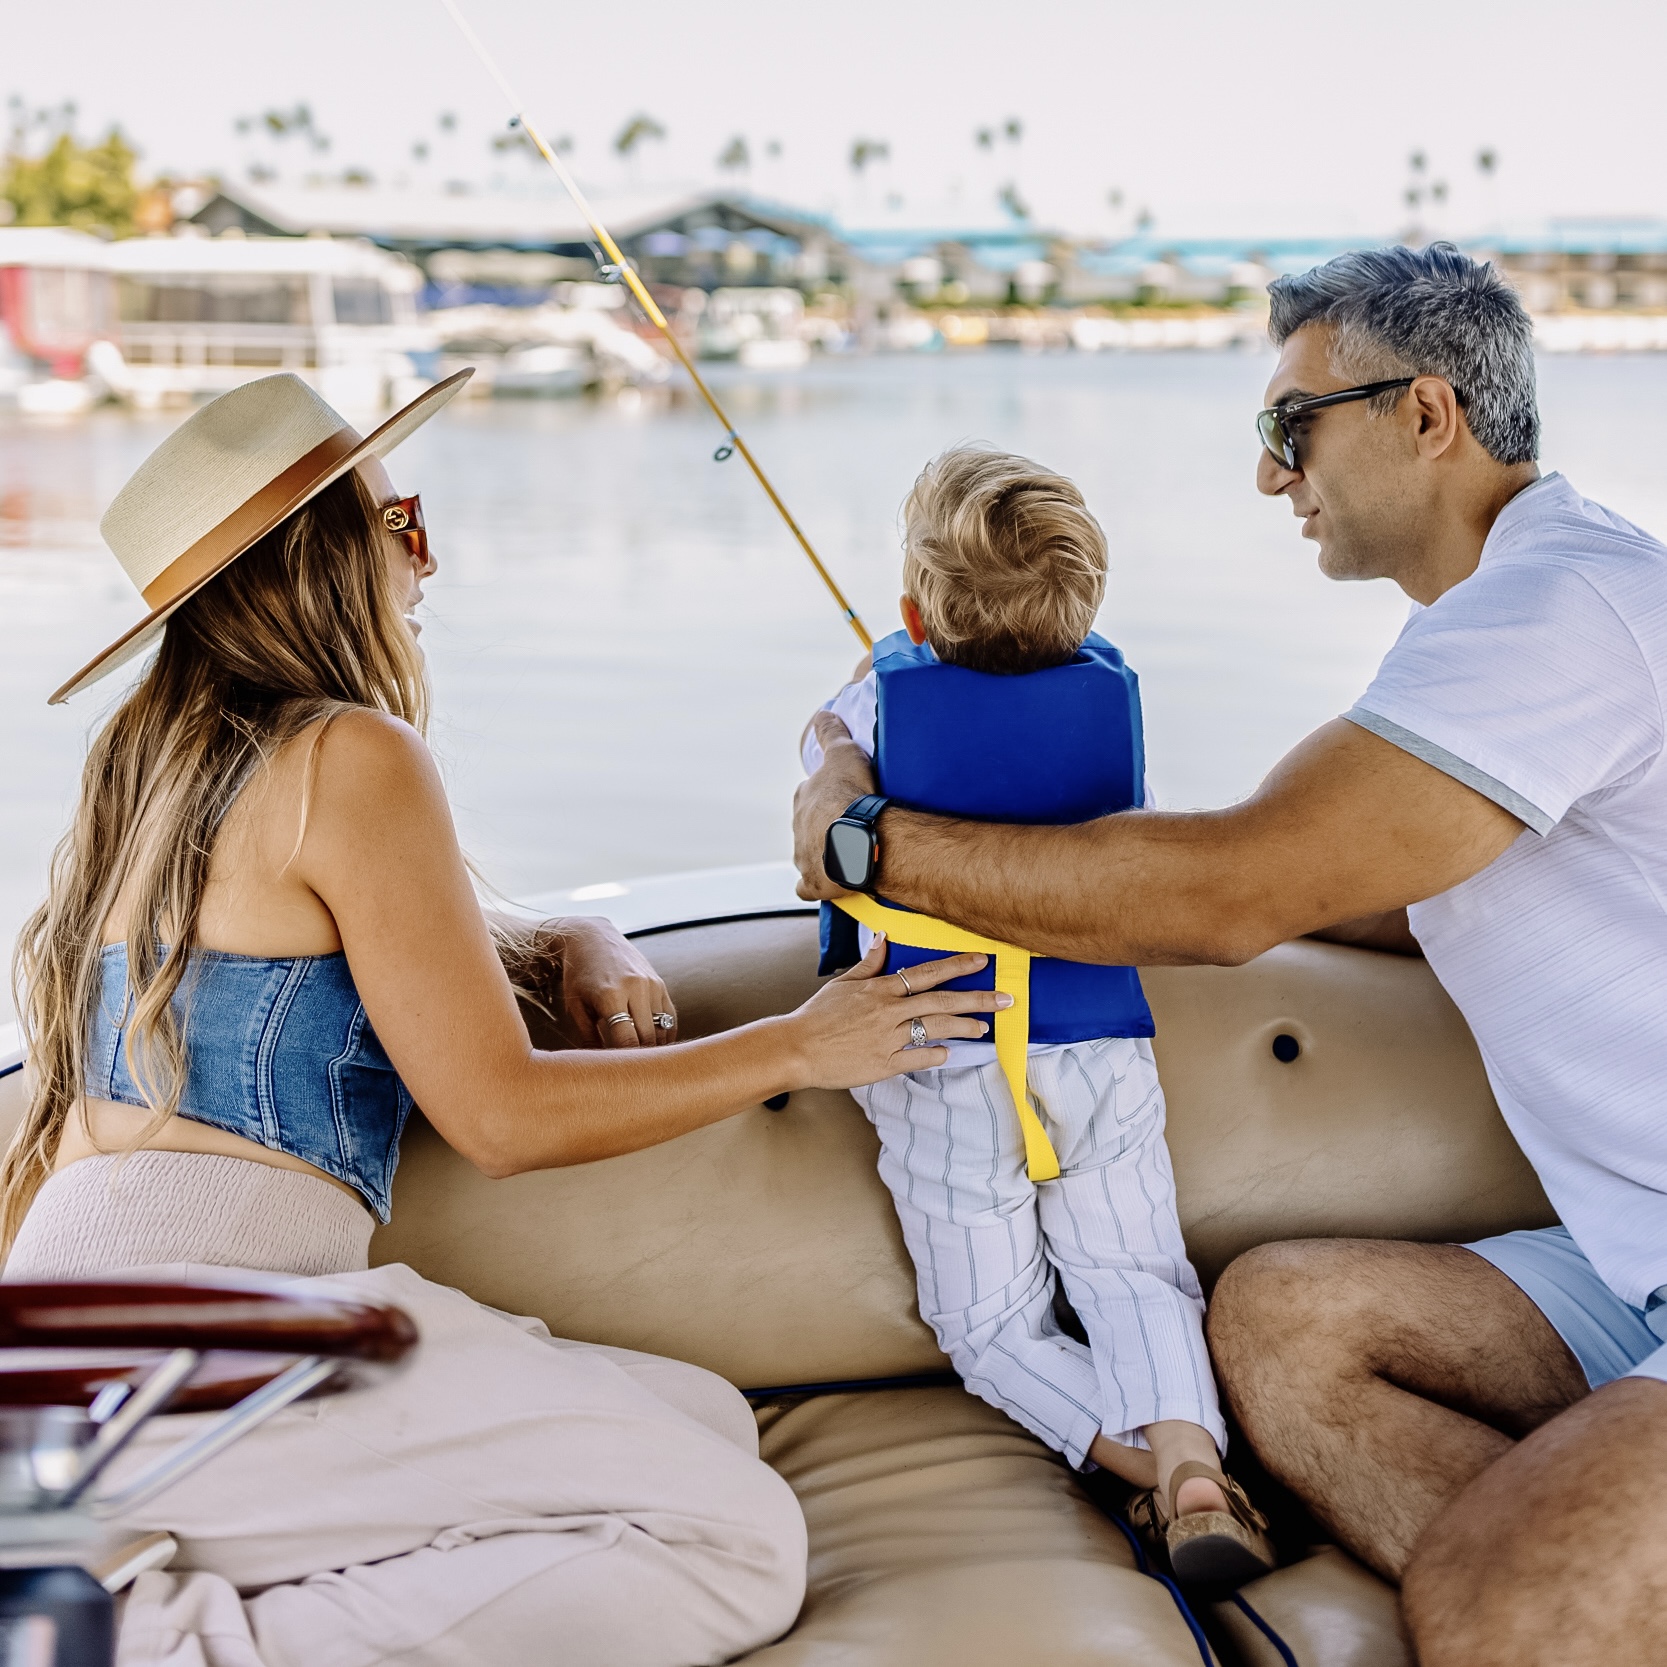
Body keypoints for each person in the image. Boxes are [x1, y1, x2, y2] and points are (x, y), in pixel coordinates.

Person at [7, 370, 1005, 1667]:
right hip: (196, 1345)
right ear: (325, 555)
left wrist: (577, 936)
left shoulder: (148, 765)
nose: (429, 555)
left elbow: (355, 953)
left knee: (700, 1415)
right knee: (736, 1539)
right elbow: (498, 1114)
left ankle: (130, 1595)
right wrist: (807, 1040)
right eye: (399, 518)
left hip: (66, 1355)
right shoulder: (350, 753)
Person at [792, 244, 1667, 1667]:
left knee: (1505, 1601)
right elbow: (1361, 884)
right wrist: (1132, 881)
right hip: (1625, 1254)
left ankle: (1542, 1600)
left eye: (1287, 426)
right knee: (1276, 1320)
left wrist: (860, 843)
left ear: (1423, 414)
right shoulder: (1501, 624)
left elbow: (1232, 890)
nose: (1270, 477)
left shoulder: (1553, 610)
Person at [801, 446, 1272, 1583]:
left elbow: (825, 831)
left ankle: (1128, 1463)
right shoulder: (1108, 695)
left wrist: (836, 723)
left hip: (942, 1047)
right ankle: (1197, 1470)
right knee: (1135, 1276)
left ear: (912, 607)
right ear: (1084, 603)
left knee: (992, 1326)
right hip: (1098, 1042)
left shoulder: (874, 696)